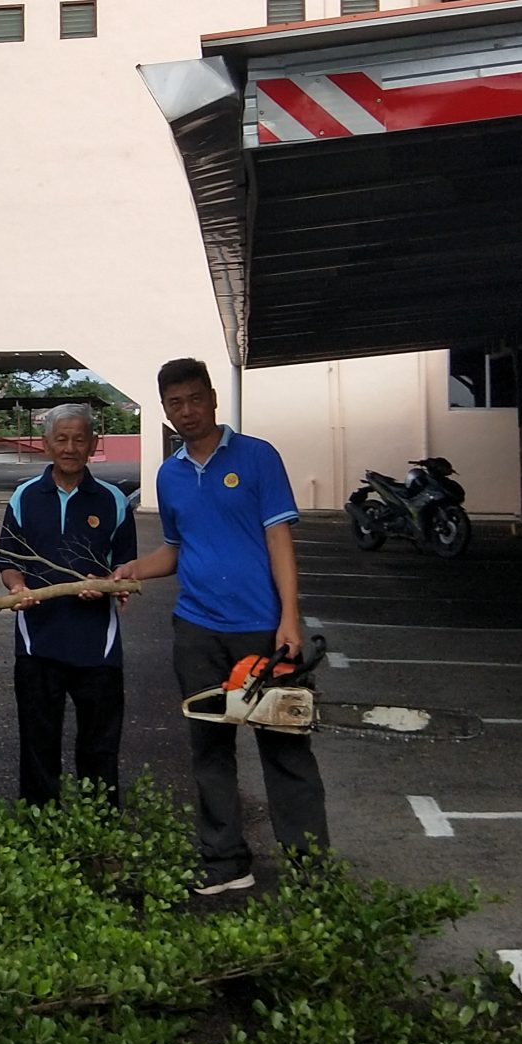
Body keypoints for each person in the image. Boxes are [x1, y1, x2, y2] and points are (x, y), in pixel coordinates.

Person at [112, 357, 328, 895]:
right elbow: (177, 550)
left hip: (261, 631)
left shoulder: (256, 457)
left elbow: (280, 540)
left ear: (212, 397)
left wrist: (289, 618)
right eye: (174, 404)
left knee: (285, 749)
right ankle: (226, 860)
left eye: (194, 399)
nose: (186, 411)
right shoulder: (171, 474)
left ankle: (310, 868)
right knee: (208, 749)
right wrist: (136, 569)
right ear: (165, 410)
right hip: (197, 631)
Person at [0, 402, 136, 807]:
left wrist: (108, 585)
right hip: (38, 642)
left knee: (100, 748)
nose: (70, 447)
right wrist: (18, 587)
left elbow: (126, 567)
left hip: (98, 646)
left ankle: (100, 832)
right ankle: (42, 832)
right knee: (38, 745)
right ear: (46, 444)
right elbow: (8, 562)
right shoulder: (24, 497)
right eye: (62, 439)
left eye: (79, 439)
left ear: (92, 444)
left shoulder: (113, 501)